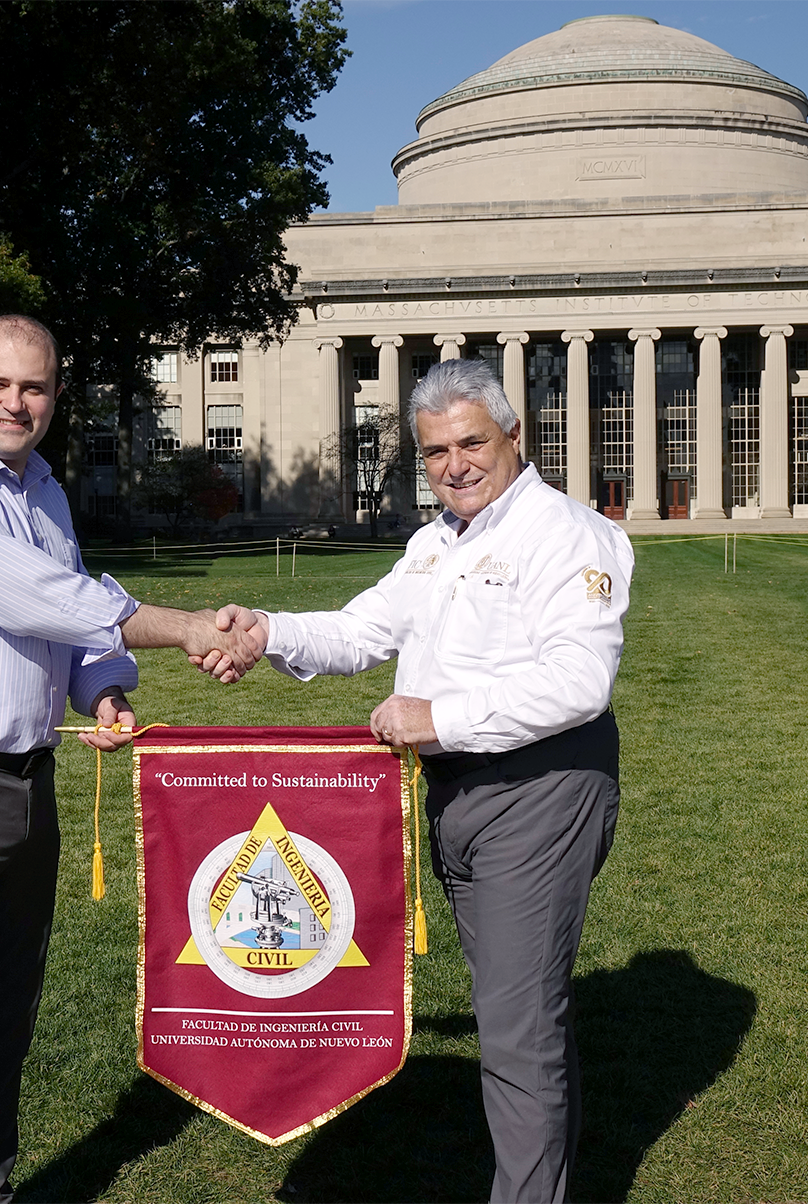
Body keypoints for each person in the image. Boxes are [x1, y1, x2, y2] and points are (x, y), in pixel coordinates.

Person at [0, 314, 255, 1204]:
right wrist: (187, 627)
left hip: (31, 789)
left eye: (33, 387)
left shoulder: (43, 491)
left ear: (56, 397)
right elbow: (39, 595)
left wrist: (104, 690)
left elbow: (70, 633)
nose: (14, 402)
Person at [212, 357, 633, 1204]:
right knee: (519, 1016)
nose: (455, 465)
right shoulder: (437, 539)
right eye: (435, 451)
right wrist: (268, 628)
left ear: (516, 437)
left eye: (472, 443)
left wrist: (435, 718)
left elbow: (577, 683)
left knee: (515, 1028)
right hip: (458, 797)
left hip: (540, 792)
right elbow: (364, 628)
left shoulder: (569, 535)